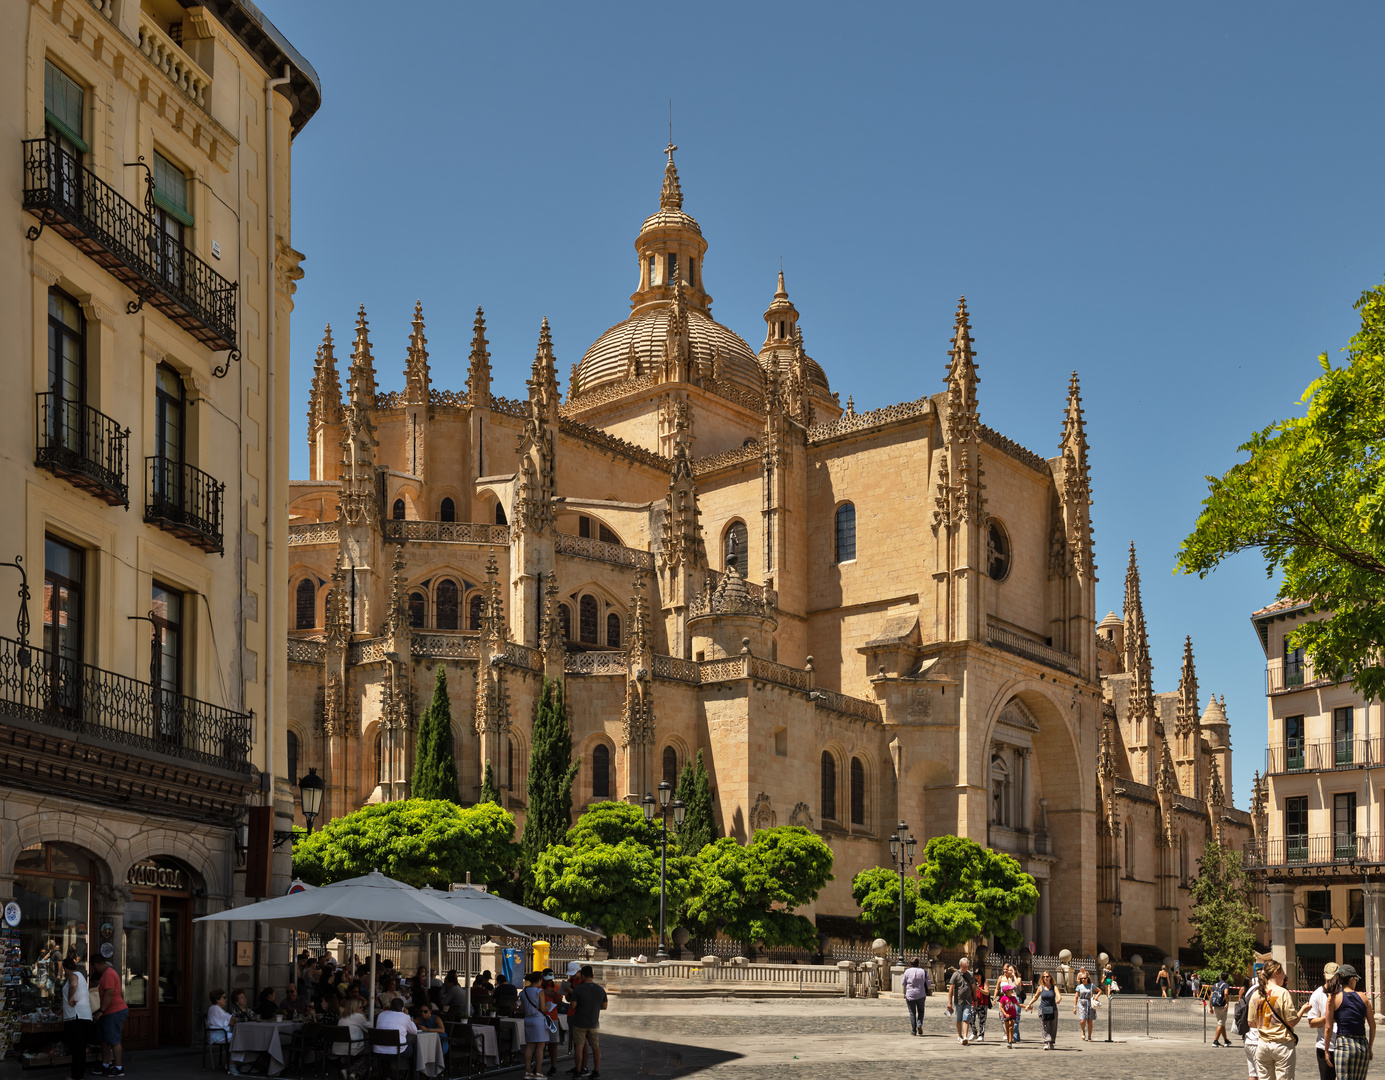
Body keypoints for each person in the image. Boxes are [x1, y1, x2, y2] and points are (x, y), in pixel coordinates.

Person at [1249, 958, 1300, 1080]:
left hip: (1262, 1044)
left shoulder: (1256, 994)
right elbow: (1291, 1021)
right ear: (1277, 972)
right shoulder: (1283, 993)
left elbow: (1251, 1023)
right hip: (1281, 1044)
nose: (1284, 976)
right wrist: (1303, 1011)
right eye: (1283, 973)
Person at [1324, 964, 1376, 1080]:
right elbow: (1373, 1026)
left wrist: (1326, 1050)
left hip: (1344, 1044)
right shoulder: (1363, 997)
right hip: (1362, 1045)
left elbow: (1328, 1027)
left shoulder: (1333, 998)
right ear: (1351, 979)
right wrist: (1370, 1047)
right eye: (1356, 979)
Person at [89, 955, 128, 1077]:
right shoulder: (107, 973)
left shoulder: (108, 974)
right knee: (104, 1040)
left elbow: (109, 993)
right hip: (108, 1012)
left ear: (95, 964)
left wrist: (101, 1010)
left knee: (114, 1040)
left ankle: (118, 1067)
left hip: (114, 1011)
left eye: (93, 967)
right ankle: (106, 1064)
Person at [569, 964, 607, 1080]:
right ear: (593, 976)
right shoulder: (600, 990)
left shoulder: (578, 989)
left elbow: (573, 1006)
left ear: (583, 975)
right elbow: (604, 1006)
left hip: (579, 1022)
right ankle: (595, 1071)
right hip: (594, 1022)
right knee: (595, 1047)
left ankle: (578, 1072)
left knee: (579, 1047)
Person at [1302, 961, 1339, 1079]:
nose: (1332, 981)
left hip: (1344, 1046)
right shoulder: (1318, 994)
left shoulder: (1344, 992)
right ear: (1324, 976)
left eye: (1334, 978)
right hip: (1324, 1046)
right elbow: (1312, 1023)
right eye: (1329, 978)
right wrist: (1328, 1018)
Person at [522, 972, 558, 1080]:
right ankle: (538, 1072)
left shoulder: (524, 991)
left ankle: (528, 1072)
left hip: (528, 1019)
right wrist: (548, 1006)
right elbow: (543, 1009)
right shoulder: (539, 991)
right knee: (540, 1047)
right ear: (539, 980)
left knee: (529, 1046)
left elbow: (522, 1008)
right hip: (538, 1020)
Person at [61, 957, 93, 1080]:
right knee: (79, 1048)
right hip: (83, 1016)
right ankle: (78, 1074)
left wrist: (69, 998)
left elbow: (73, 985)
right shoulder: (81, 974)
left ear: (65, 968)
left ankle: (76, 1075)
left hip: (77, 1017)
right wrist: (61, 1009)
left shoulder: (73, 975)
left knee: (77, 1049)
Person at [332, 996, 371, 1079]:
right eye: (361, 1007)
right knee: (370, 1053)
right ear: (355, 1008)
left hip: (338, 1048)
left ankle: (354, 1074)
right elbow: (370, 1029)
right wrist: (364, 1015)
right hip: (351, 1047)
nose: (362, 1009)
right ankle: (350, 1071)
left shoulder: (342, 1017)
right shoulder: (358, 1016)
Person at [1025, 970, 1063, 1050]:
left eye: (1047, 976)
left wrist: (1058, 1000)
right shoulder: (1040, 988)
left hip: (1053, 1009)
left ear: (1050, 978)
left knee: (1053, 1026)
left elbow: (1059, 996)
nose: (1045, 978)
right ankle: (1046, 1042)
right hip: (1043, 1009)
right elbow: (1035, 997)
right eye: (1044, 977)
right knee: (1044, 1026)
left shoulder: (1054, 987)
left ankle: (1052, 1042)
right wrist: (1029, 1004)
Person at [373, 997, 417, 1063]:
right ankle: (412, 1073)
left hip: (378, 1050)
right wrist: (408, 1016)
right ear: (403, 1008)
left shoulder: (381, 1015)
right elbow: (414, 1031)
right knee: (413, 1047)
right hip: (398, 1052)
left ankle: (387, 1073)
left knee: (386, 1048)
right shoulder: (404, 1016)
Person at [946, 957, 976, 1046]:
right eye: (963, 967)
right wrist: (950, 1002)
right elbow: (951, 989)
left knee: (966, 1018)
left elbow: (973, 988)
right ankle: (959, 1036)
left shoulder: (970, 975)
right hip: (958, 1001)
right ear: (960, 966)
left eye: (966, 967)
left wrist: (975, 999)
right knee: (958, 1019)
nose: (965, 969)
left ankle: (965, 1036)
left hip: (968, 1001)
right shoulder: (956, 975)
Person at [901, 958, 930, 1035]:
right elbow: (928, 983)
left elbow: (903, 983)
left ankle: (913, 1031)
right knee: (921, 1011)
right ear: (918, 964)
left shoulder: (907, 971)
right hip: (921, 994)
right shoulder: (923, 971)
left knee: (912, 1013)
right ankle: (919, 1024)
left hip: (910, 994)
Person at [996, 966, 1020, 1048]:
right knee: (1007, 1026)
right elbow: (997, 988)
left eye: (1010, 970)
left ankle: (1013, 1038)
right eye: (1006, 969)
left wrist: (1027, 1006)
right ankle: (1008, 1038)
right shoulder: (1002, 979)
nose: (1007, 971)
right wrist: (995, 998)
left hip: (1014, 1001)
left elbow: (1017, 984)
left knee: (1013, 1025)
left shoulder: (1016, 978)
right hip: (1005, 1006)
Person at [1209, 969, 1233, 1048]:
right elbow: (1226, 993)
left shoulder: (1215, 985)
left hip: (1215, 1005)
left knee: (1222, 1023)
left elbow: (1211, 996)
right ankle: (1215, 1041)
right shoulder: (1225, 985)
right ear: (1227, 978)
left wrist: (1210, 1007)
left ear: (1220, 976)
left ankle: (1226, 1040)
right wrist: (1227, 1003)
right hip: (1222, 1006)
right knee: (1220, 1023)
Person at [1074, 968, 1097, 1042]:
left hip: (1090, 1003)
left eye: (1084, 978)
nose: (1083, 979)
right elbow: (1076, 997)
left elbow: (1099, 991)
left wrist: (1096, 997)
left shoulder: (1091, 985)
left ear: (1087, 978)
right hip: (1082, 1003)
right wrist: (1074, 1007)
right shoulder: (1079, 987)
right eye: (1082, 978)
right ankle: (1083, 1031)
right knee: (1082, 1020)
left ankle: (1089, 1036)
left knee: (1090, 1021)